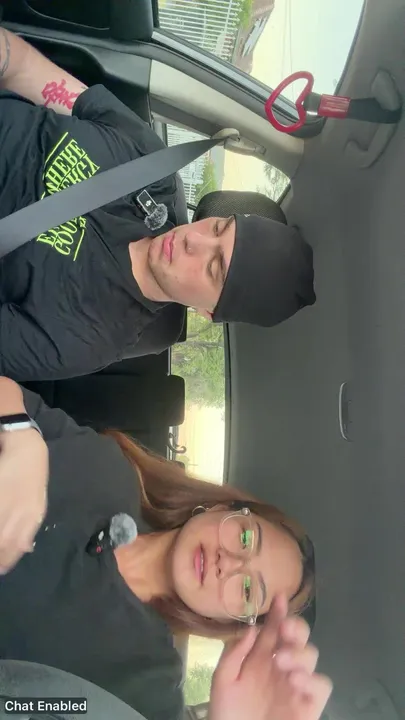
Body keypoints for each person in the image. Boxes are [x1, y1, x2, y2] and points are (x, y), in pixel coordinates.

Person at [0, 375, 331, 720]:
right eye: (245, 539)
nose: (229, 563)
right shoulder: (109, 471)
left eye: (248, 589)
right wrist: (21, 435)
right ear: (222, 508)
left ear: (228, 621)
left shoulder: (150, 681)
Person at [0, 28, 316, 383]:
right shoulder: (152, 164)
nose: (193, 240)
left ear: (207, 312)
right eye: (217, 228)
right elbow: (23, 67)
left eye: (213, 267)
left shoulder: (88, 336)